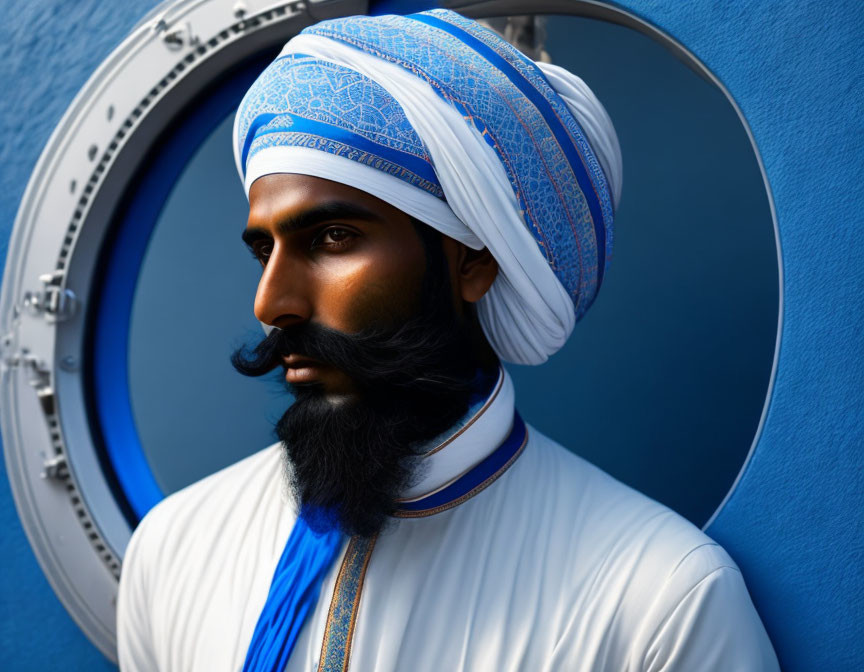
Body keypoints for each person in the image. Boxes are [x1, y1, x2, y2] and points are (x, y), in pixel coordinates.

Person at [117, 9, 779, 671]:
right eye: (265, 250)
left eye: (332, 239)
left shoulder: (656, 604)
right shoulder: (173, 552)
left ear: (475, 259)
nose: (271, 304)